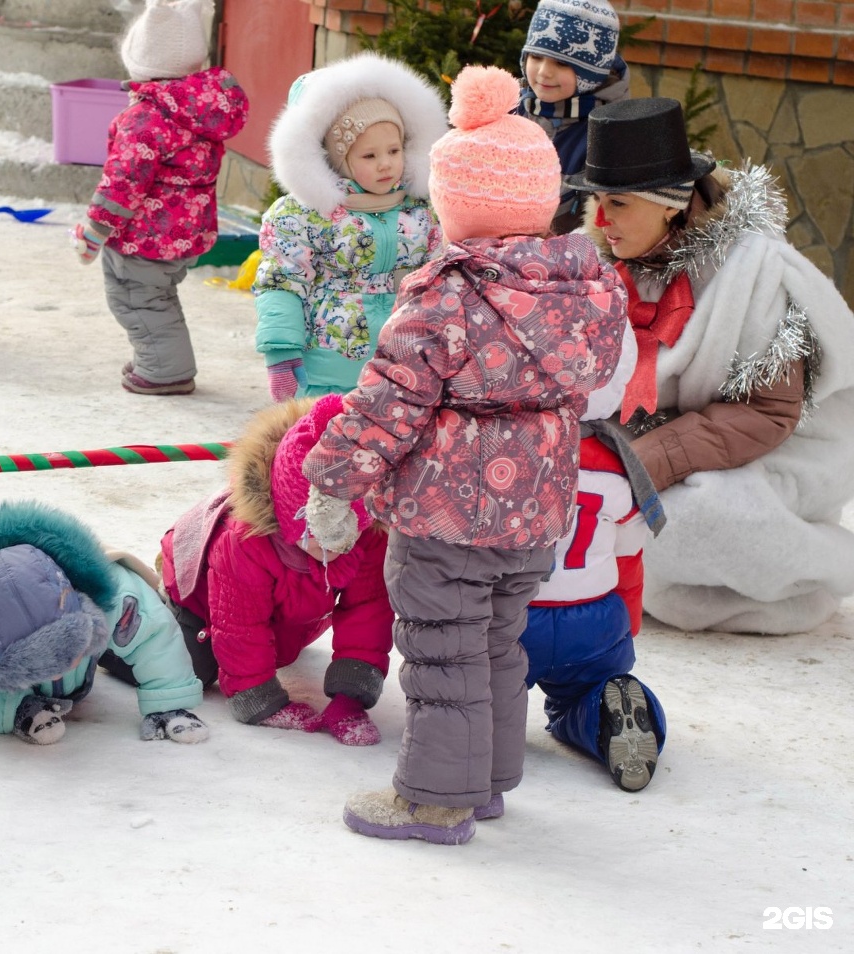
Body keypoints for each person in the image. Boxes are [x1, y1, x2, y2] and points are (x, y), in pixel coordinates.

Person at [301, 65, 627, 844]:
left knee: (444, 657)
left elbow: (386, 404)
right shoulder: (583, 290)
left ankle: (433, 800)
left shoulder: (446, 295)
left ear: (458, 202)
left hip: (446, 521)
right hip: (533, 518)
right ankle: (484, 782)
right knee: (493, 647)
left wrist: (331, 481)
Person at [567, 98, 854, 635]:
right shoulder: (593, 257)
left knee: (701, 519)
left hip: (771, 452)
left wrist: (642, 464)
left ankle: (787, 576)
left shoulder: (753, 272)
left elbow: (768, 413)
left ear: (670, 204)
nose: (602, 221)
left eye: (620, 204)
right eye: (598, 201)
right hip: (639, 441)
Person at [160, 395, 392, 745]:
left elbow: (368, 609)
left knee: (283, 646)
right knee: (193, 669)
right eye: (319, 537)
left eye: (350, 530)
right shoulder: (242, 543)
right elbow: (239, 627)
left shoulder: (366, 534)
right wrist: (261, 701)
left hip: (289, 608)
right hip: (204, 604)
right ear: (290, 514)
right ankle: (139, 614)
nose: (337, 546)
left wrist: (351, 696)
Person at [0, 500, 210, 746]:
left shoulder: (115, 596)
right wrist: (15, 709)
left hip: (24, 571)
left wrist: (170, 704)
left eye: (64, 658)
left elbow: (155, 638)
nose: (57, 672)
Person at [518, 320, 668, 798]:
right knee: (585, 695)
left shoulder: (507, 454)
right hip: (595, 619)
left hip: (514, 615)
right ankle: (610, 710)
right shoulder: (618, 471)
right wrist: (626, 619)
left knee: (478, 691)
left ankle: (482, 731)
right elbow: (630, 556)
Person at [71, 0, 249, 396]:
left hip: (145, 237)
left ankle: (165, 370)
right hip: (186, 233)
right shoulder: (201, 109)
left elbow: (123, 182)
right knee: (156, 298)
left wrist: (95, 229)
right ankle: (161, 357)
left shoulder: (145, 119)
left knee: (137, 300)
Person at [255, 52, 445, 402]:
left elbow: (440, 281)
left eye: (393, 150)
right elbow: (281, 282)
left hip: (400, 369)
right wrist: (281, 353)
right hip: (326, 369)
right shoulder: (306, 216)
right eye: (369, 156)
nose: (386, 164)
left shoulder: (420, 213)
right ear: (339, 161)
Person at [516, 0, 629, 235]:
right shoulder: (511, 110)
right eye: (536, 57)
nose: (544, 72)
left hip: (571, 260)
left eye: (561, 63)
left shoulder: (608, 134)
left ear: (590, 72)